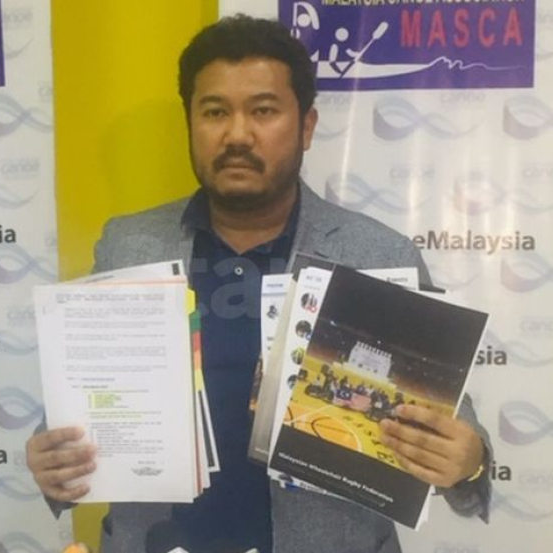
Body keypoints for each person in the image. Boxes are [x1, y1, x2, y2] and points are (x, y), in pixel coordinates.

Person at [27, 15, 491, 553]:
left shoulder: (379, 256)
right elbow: (84, 413)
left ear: (306, 126)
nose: (237, 135)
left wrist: (469, 463)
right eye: (215, 112)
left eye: (263, 110)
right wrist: (54, 460)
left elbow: (453, 438)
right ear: (190, 123)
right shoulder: (129, 245)